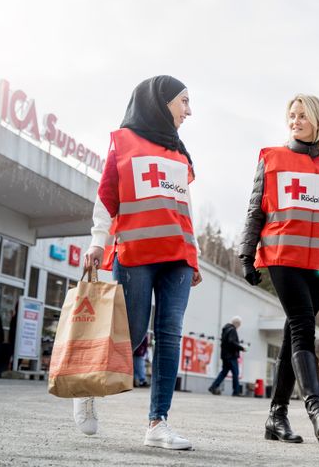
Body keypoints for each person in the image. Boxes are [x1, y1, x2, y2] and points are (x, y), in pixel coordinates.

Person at [76, 75, 202, 451]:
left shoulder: (179, 151)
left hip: (177, 255)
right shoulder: (124, 142)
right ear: (161, 101)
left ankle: (157, 423)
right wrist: (98, 242)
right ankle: (86, 390)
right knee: (129, 334)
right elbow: (107, 195)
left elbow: (185, 208)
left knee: (169, 337)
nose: (189, 111)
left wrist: (193, 255)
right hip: (136, 252)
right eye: (184, 101)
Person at [239, 94, 319, 448]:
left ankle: (276, 416)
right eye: (291, 115)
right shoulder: (273, 158)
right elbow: (255, 210)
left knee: (295, 332)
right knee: (305, 327)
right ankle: (317, 411)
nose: (295, 121)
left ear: (317, 121)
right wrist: (247, 255)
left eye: (302, 116)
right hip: (282, 256)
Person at [208, 316, 247, 396]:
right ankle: (236, 391)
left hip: (225, 355)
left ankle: (213, 387)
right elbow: (232, 342)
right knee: (235, 373)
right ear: (237, 323)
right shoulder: (232, 330)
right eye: (239, 325)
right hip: (231, 356)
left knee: (224, 372)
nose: (239, 326)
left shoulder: (226, 329)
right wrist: (242, 348)